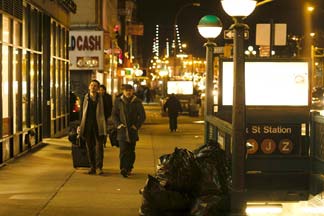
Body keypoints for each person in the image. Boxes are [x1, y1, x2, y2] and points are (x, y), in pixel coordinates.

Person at [111, 84, 146, 178]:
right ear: (123, 91)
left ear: (132, 91)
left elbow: (142, 116)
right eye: (126, 90)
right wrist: (118, 124)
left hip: (132, 130)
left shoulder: (137, 102)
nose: (128, 92)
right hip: (122, 131)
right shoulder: (118, 101)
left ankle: (129, 167)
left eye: (130, 90)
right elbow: (114, 115)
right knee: (123, 150)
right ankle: (123, 168)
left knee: (131, 151)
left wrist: (136, 126)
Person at [79, 80, 107, 175]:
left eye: (95, 86)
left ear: (98, 88)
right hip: (87, 126)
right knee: (89, 147)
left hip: (99, 126)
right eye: (91, 85)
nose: (93, 87)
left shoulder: (102, 98)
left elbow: (107, 111)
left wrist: (103, 120)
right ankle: (92, 167)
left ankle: (99, 167)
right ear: (89, 87)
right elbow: (81, 112)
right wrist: (80, 124)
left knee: (99, 147)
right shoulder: (85, 98)